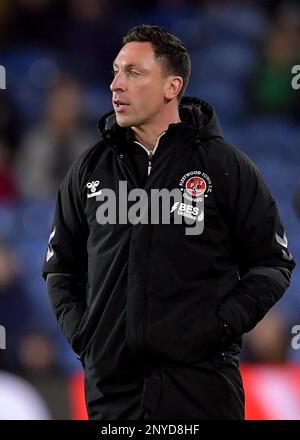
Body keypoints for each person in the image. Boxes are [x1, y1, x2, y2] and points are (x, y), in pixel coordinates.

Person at [42, 25, 296, 420]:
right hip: (114, 398)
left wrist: (220, 326)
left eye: (133, 72)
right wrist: (87, 338)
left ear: (171, 87)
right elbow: (60, 269)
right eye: (115, 71)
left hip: (203, 393)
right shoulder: (87, 170)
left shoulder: (225, 168)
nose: (115, 85)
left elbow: (272, 263)